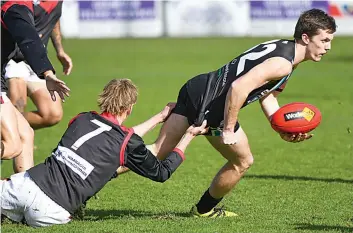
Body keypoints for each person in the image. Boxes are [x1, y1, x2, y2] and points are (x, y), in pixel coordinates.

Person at [123, 9, 337, 217]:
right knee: (243, 161)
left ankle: (97, 172)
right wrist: (227, 128)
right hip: (214, 105)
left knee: (157, 151)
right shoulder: (283, 65)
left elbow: (267, 95)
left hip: (198, 87)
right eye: (325, 40)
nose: (328, 47)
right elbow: (238, 88)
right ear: (306, 38)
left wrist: (281, 126)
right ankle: (204, 210)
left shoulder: (283, 48)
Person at [0, 79, 208, 227]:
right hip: (51, 210)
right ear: (130, 108)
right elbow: (161, 172)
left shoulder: (82, 119)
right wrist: (188, 135)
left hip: (22, 186)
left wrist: (159, 117)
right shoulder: (126, 142)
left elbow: (114, 135)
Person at [1, 0, 70, 172]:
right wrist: (47, 73)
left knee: (26, 133)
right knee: (13, 142)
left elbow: (50, 23)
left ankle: (23, 191)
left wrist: (59, 50)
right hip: (18, 59)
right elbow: (28, 36)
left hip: (34, 59)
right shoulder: (14, 6)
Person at [4, 0, 73, 130]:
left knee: (52, 114)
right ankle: (16, 137)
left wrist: (60, 50)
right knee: (18, 104)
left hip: (38, 61)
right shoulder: (23, 3)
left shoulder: (56, 2)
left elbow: (54, 20)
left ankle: (13, 130)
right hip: (14, 58)